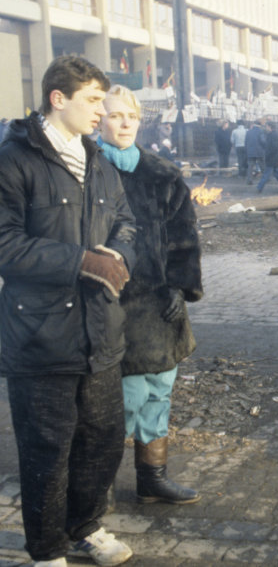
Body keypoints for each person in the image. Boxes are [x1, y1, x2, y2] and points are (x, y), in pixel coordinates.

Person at [0, 55, 136, 567]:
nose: (102, 111)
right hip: (39, 337)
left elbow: (126, 222)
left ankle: (85, 527)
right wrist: (81, 260)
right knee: (47, 452)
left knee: (102, 442)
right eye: (93, 100)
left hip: (100, 332)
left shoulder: (95, 158)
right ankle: (47, 550)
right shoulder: (13, 160)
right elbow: (4, 242)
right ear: (59, 99)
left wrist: (119, 254)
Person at [96, 85, 204, 507]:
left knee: (159, 390)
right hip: (112, 305)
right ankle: (96, 484)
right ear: (98, 120)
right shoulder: (87, 171)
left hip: (160, 307)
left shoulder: (162, 173)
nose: (124, 123)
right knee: (122, 397)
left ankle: (152, 477)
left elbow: (184, 237)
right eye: (114, 115)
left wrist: (180, 286)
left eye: (131, 116)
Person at [257, 121, 278, 193]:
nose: (266, 127)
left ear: (270, 127)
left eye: (267, 126)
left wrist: (268, 155)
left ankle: (259, 187)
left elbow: (273, 147)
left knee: (267, 174)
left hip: (271, 158)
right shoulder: (272, 134)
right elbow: (269, 146)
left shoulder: (272, 135)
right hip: (274, 158)